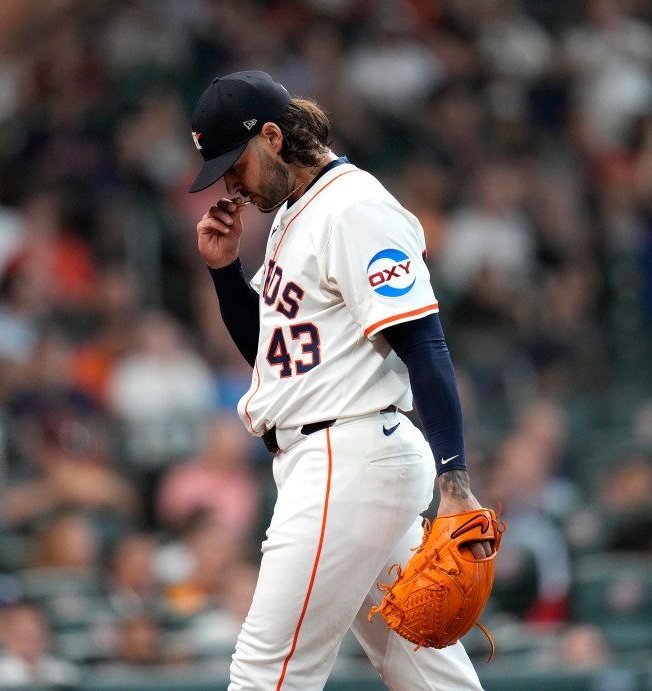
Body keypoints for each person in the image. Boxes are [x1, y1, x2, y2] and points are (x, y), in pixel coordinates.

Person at [188, 70, 494, 690]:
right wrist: (226, 274)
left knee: (265, 674)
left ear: (273, 137)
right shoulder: (293, 210)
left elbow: (424, 343)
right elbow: (277, 363)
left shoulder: (355, 208)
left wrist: (455, 480)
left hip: (344, 457)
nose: (228, 184)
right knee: (425, 672)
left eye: (233, 164)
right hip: (340, 457)